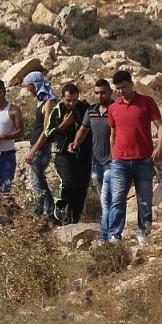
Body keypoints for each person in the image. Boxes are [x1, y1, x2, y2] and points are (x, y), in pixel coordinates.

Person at [104, 69, 162, 245]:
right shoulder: (113, 108)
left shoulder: (147, 102)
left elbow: (160, 126)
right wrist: (113, 156)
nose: (121, 91)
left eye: (124, 87)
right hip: (120, 161)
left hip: (144, 160)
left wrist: (160, 146)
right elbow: (113, 134)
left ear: (131, 84)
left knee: (145, 199)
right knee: (117, 198)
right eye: (117, 88)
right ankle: (115, 235)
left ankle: (143, 232)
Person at [73, 80, 115, 233]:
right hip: (95, 163)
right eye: (96, 93)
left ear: (110, 92)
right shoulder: (91, 110)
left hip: (112, 162)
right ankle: (112, 229)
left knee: (105, 199)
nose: (99, 96)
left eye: (103, 92)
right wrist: (76, 143)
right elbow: (84, 130)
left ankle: (105, 235)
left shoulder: (116, 109)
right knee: (105, 200)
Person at [21, 71, 61, 221]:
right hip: (39, 147)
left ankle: (40, 213)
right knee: (40, 181)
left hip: (41, 149)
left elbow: (47, 130)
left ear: (35, 85)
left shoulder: (49, 102)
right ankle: (51, 213)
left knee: (37, 184)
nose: (27, 90)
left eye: (29, 86)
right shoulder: (43, 101)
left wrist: (33, 149)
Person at [50, 83, 90, 224]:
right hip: (63, 154)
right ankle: (57, 206)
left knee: (81, 188)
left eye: (74, 100)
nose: (72, 103)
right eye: (68, 100)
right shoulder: (57, 110)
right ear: (62, 98)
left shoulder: (85, 108)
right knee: (69, 183)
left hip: (84, 154)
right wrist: (64, 124)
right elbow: (49, 134)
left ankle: (73, 221)